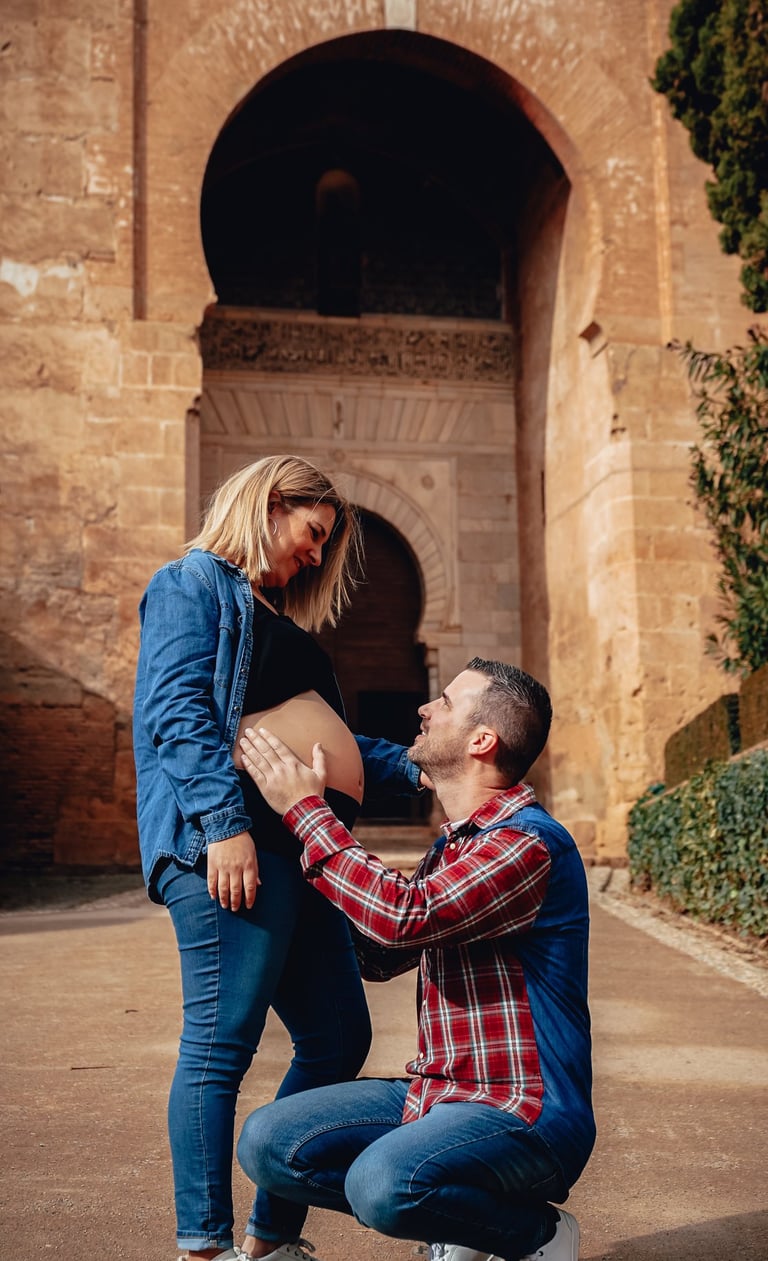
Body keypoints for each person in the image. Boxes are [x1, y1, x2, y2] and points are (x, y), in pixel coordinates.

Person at [132, 455, 421, 1261]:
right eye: (313, 532)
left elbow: (330, 737)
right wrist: (223, 824)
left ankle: (271, 1239)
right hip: (233, 846)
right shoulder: (191, 584)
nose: (317, 554)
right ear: (268, 504)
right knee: (221, 1040)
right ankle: (205, 1245)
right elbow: (178, 711)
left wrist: (416, 765)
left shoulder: (273, 615)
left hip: (298, 852)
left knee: (337, 1034)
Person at [235, 658, 595, 1261]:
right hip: (436, 1094)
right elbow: (381, 954)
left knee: (382, 1183)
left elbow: (404, 916)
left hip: (525, 1110)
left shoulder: (526, 842)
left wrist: (307, 813)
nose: (425, 710)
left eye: (446, 703)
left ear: (482, 741)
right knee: (268, 1143)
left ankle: (536, 1234)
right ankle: (464, 1221)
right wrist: (286, 893)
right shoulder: (454, 850)